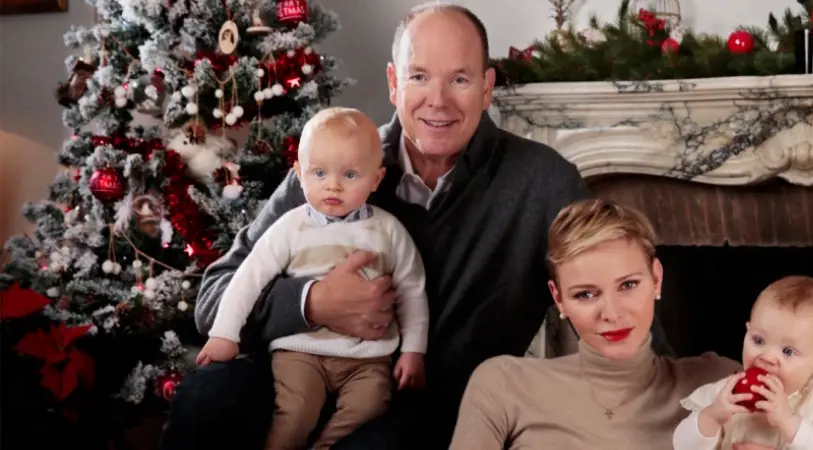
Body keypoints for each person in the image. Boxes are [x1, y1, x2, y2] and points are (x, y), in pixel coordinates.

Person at [159, 4, 674, 449]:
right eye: (420, 76)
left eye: (460, 78)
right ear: (393, 83)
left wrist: (685, 397)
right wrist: (310, 302)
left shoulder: (541, 182)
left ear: (488, 87)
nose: (438, 101)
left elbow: (618, 282)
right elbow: (214, 298)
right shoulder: (335, 164)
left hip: (429, 404)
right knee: (209, 396)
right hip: (291, 374)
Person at [195, 107, 429, 449]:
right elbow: (247, 279)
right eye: (319, 173)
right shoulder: (290, 227)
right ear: (299, 174)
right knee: (295, 412)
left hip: (367, 359)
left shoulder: (387, 230)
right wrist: (225, 335)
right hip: (300, 352)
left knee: (370, 405)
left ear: (375, 179)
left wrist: (413, 351)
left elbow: (412, 289)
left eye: (350, 175)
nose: (332, 185)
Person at [449, 199, 740, 449]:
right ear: (559, 298)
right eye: (585, 294)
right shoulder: (503, 384)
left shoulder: (720, 383)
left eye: (628, 285)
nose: (611, 314)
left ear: (656, 279)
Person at [672, 276, 813, 450]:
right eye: (758, 340)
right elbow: (681, 445)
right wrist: (712, 416)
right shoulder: (726, 394)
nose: (767, 357)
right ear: (747, 331)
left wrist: (789, 421)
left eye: (788, 351)